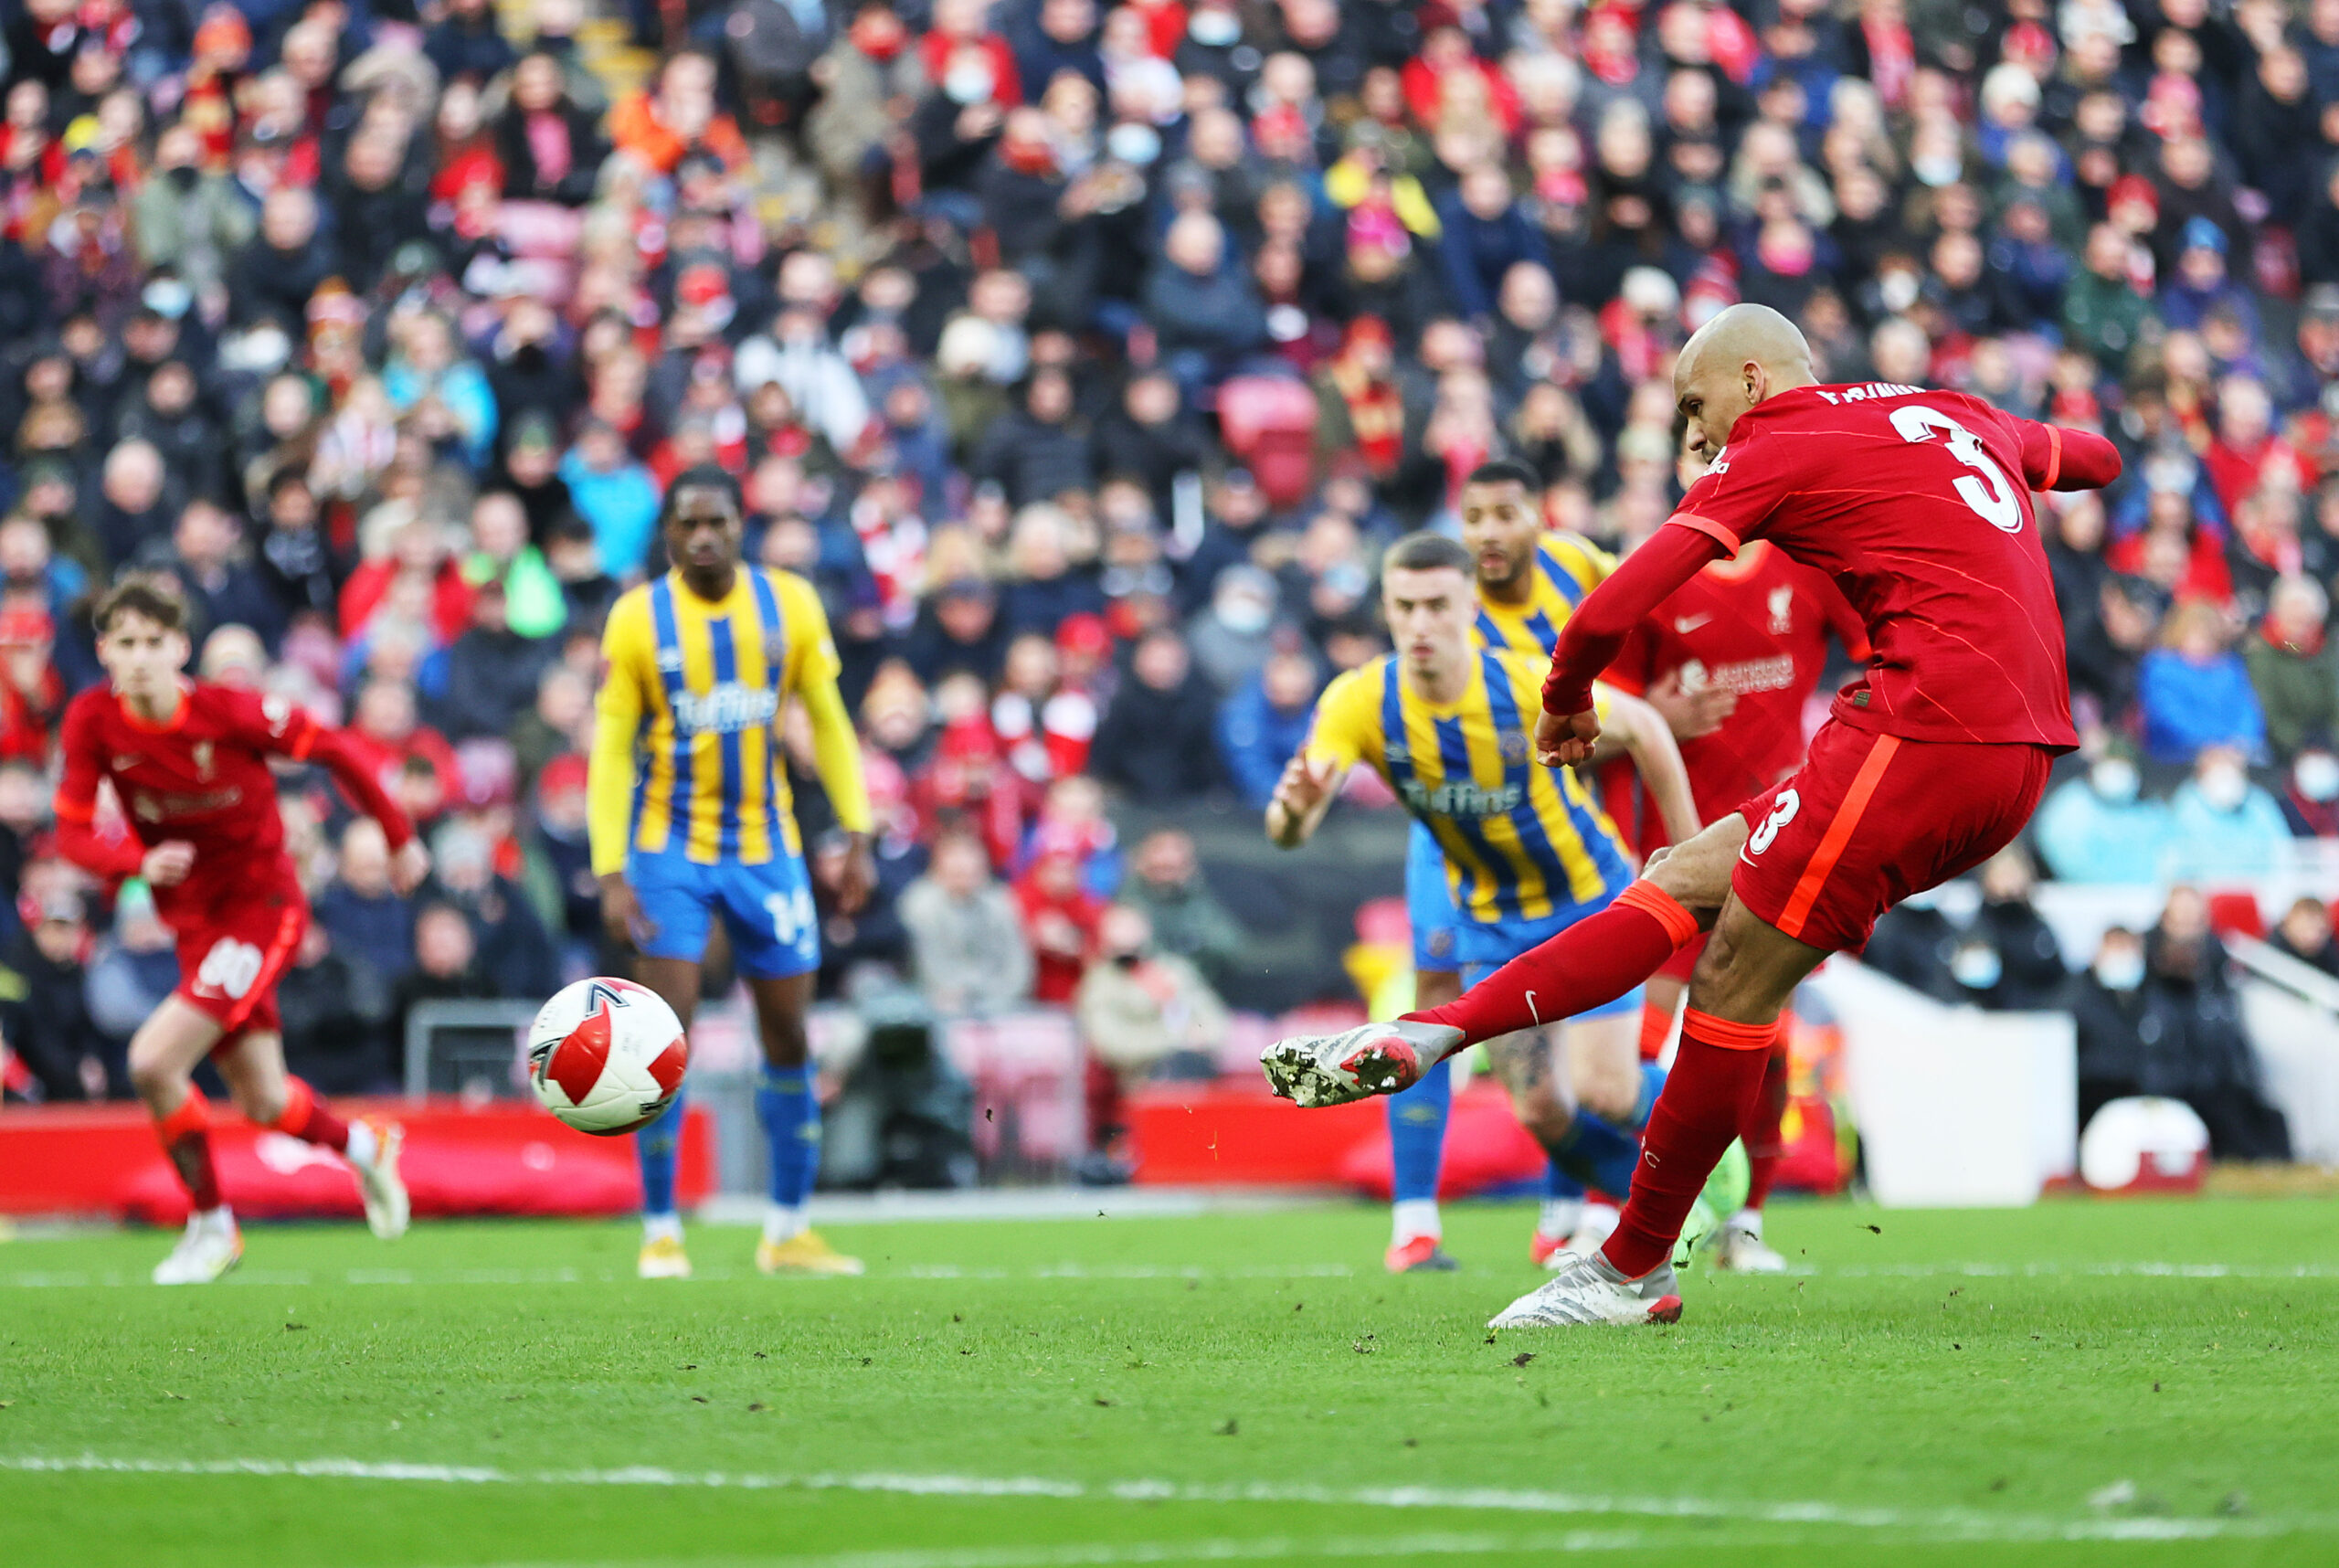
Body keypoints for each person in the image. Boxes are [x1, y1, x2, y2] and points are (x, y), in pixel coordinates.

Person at [1262, 303, 2121, 1328]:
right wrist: (2018, 463)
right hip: (2010, 744)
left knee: (1732, 980)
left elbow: (1609, 608)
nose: (1695, 430)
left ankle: (1633, 1267)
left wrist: (1568, 701)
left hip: (1928, 729)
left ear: (1753, 379)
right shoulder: (1947, 410)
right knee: (1684, 879)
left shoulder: (1778, 440)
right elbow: (2099, 459)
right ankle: (1434, 1032)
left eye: (1694, 401)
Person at [1266, 530, 1703, 1274]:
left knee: (1603, 1087)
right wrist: (1292, 810)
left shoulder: (1526, 681)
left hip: (1588, 899)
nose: (1421, 623)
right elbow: (1290, 827)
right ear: (1386, 610)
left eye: (1438, 604)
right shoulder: (1361, 700)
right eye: (1405, 607)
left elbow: (1649, 728)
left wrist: (1692, 852)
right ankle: (1653, 1209)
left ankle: (1702, 1148)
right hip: (1494, 921)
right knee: (1539, 1109)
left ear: (1472, 605)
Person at [51, 576, 429, 1284]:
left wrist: (399, 837)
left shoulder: (231, 713)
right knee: (264, 1101)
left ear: (181, 648)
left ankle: (211, 1226)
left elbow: (340, 750)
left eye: (153, 643)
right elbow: (70, 834)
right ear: (103, 651)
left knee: (152, 1061)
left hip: (262, 912)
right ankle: (364, 1146)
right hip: (194, 925)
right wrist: (135, 859)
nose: (139, 658)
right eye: (124, 643)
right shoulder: (93, 722)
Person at [591, 465, 877, 1281]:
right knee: (662, 1033)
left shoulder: (788, 604)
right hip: (669, 848)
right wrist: (611, 870)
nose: (704, 537)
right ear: (670, 536)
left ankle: (787, 1230)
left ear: (741, 525)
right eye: (688, 526)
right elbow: (611, 751)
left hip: (768, 848)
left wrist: (856, 829)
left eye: (718, 522)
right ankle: (660, 1229)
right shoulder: (638, 620)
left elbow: (826, 719)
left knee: (788, 1032)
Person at [1599, 490, 1871, 1272]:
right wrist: (1654, 715)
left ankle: (1744, 1225)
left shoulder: (1806, 567)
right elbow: (1598, 727)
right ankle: (1605, 1210)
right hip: (1677, 851)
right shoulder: (1656, 578)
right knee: (1639, 1046)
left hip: (1778, 844)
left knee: (1768, 1046)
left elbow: (1885, 647)